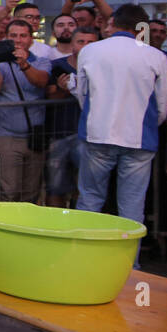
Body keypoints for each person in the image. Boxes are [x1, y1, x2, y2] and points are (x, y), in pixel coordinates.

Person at [71, 4, 167, 232]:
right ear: (141, 27)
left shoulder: (90, 51)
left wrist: (94, 117)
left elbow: (82, 94)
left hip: (98, 133)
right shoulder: (156, 56)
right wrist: (152, 125)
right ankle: (131, 265)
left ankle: (82, 257)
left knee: (90, 200)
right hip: (140, 137)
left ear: (111, 22)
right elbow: (162, 103)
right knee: (132, 207)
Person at [0, 18, 52, 203]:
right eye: (13, 36)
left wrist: (24, 65)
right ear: (6, 38)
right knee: (8, 190)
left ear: (31, 39)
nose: (19, 40)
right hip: (5, 137)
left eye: (23, 36)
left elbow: (41, 81)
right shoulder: (0, 64)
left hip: (34, 137)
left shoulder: (42, 61)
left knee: (31, 192)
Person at [45, 26, 98, 208]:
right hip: (58, 134)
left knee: (85, 188)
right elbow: (48, 96)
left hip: (89, 136)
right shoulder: (57, 66)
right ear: (72, 44)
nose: (85, 46)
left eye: (90, 42)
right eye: (81, 41)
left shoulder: (103, 69)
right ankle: (54, 232)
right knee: (55, 187)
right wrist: (62, 89)